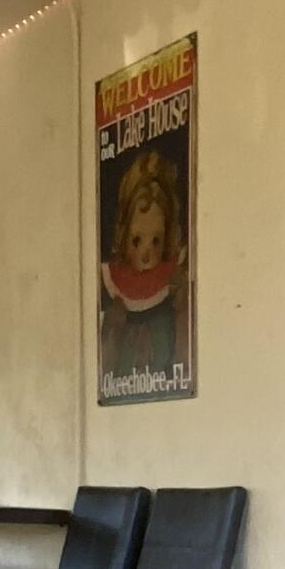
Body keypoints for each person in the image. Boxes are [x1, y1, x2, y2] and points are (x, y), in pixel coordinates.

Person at [99, 148, 187, 391]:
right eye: (136, 241)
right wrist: (114, 329)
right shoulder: (112, 304)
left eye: (156, 241)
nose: (146, 256)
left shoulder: (174, 300)